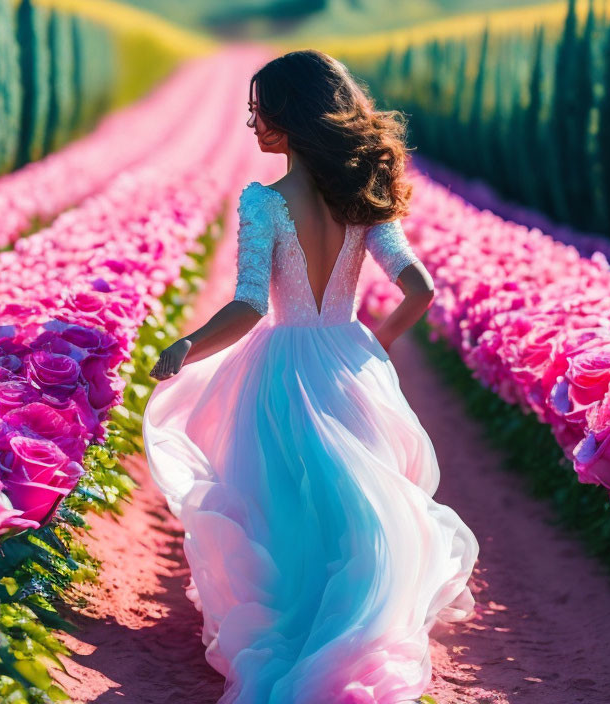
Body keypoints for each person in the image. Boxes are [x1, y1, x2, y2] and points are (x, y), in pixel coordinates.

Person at [141, 49, 479, 704]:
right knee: (351, 503)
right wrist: (370, 347)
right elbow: (421, 291)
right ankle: (351, 629)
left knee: (285, 503)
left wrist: (186, 344)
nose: (251, 125)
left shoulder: (265, 203)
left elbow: (248, 307)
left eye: (259, 111)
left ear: (291, 116)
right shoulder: (363, 200)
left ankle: (300, 633)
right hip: (349, 362)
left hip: (283, 367)